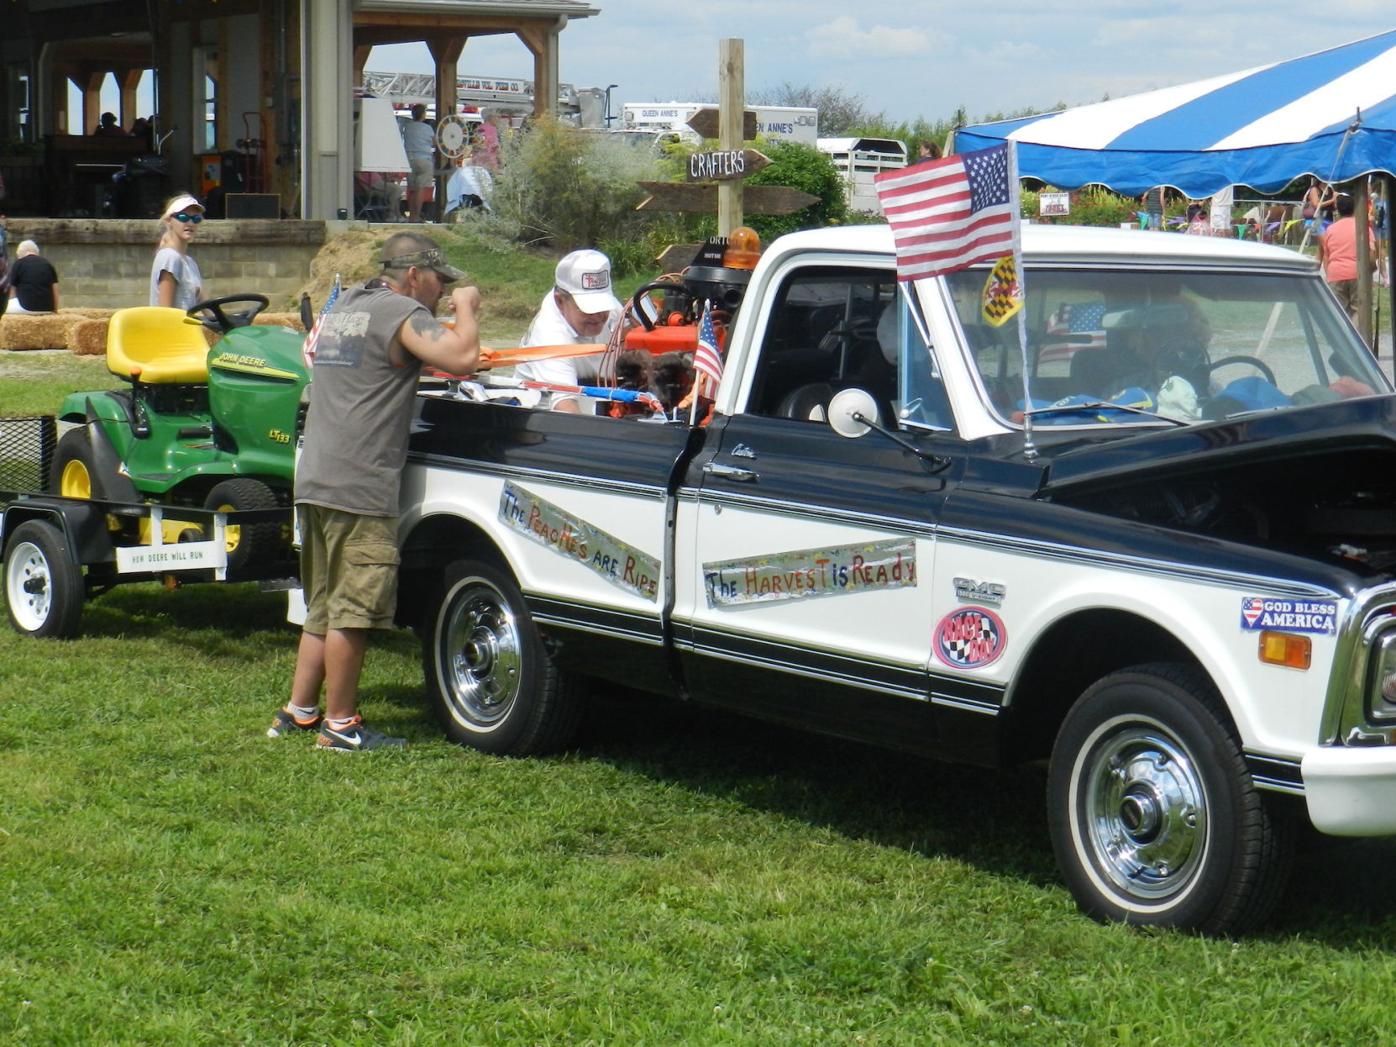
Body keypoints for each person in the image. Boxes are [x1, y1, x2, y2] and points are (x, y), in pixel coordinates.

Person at [268, 232, 482, 751]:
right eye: (438, 282)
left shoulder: (347, 307)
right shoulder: (400, 312)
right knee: (353, 610)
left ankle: (298, 712)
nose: (440, 292)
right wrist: (467, 308)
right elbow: (463, 358)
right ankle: (341, 726)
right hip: (359, 485)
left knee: (320, 604)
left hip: (317, 478)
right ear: (414, 276)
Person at [512, 249, 623, 413]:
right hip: (544, 421)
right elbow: (565, 407)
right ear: (560, 300)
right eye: (588, 309)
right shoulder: (549, 336)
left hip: (601, 399)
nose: (598, 315)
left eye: (602, 306)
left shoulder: (610, 309)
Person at [1317, 193, 1377, 326]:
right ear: (1355, 208)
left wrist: (1329, 276)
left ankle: (1343, 341)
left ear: (1337, 209)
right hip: (1358, 273)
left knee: (1339, 313)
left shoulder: (1330, 230)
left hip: (1336, 274)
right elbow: (1371, 256)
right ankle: (1356, 340)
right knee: (1359, 311)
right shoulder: (1364, 228)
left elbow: (1326, 256)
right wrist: (1371, 272)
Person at [150, 193, 205, 309]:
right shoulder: (170, 257)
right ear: (169, 220)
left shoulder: (190, 262)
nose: (190, 223)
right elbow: (165, 312)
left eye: (196, 219)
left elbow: (207, 306)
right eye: (183, 217)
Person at [399, 103, 436, 220]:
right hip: (424, 159)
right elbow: (434, 142)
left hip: (409, 160)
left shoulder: (407, 127)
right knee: (420, 188)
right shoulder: (427, 128)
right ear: (423, 114)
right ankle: (416, 215)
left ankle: (411, 215)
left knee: (412, 188)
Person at [5, 240, 61, 314]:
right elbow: (55, 289)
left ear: (20, 253)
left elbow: (12, 290)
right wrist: (55, 311)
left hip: (26, 308)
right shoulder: (48, 264)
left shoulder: (19, 263)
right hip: (47, 309)